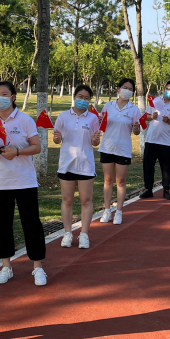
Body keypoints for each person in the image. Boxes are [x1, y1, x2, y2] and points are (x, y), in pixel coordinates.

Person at [0, 81, 47, 287]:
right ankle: (6, 266)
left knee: (31, 223)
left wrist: (17, 152)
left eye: (4, 94)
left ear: (13, 97)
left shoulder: (25, 120)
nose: (0, 98)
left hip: (25, 180)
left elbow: (37, 147)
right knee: (1, 225)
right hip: (0, 182)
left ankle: (38, 267)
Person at [53, 84, 101, 249]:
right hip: (66, 164)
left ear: (90, 100)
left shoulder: (93, 118)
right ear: (74, 97)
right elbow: (56, 140)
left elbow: (95, 142)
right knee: (67, 200)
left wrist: (95, 140)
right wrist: (56, 138)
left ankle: (84, 234)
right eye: (80, 96)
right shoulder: (63, 116)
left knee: (86, 200)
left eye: (86, 98)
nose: (83, 100)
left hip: (85, 164)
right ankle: (67, 233)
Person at [97, 78, 141, 225]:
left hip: (123, 148)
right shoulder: (108, 106)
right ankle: (107, 210)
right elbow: (101, 125)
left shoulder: (134, 109)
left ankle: (119, 212)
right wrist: (98, 120)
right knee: (108, 180)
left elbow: (136, 132)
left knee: (120, 182)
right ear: (118, 89)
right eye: (124, 87)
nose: (127, 90)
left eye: (130, 89)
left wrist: (136, 127)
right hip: (107, 147)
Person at [139, 80, 170, 201]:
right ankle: (148, 189)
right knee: (148, 166)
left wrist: (169, 121)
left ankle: (166, 190)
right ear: (164, 89)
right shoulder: (155, 101)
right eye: (168, 89)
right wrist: (151, 117)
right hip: (151, 139)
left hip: (166, 141)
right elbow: (145, 116)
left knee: (166, 167)